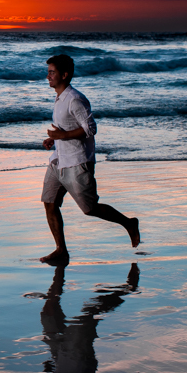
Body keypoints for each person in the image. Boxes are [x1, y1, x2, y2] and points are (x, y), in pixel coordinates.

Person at [40, 55, 139, 264]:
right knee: (49, 202)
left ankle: (129, 223)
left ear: (64, 75)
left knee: (90, 209)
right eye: (48, 71)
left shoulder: (75, 98)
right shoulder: (59, 98)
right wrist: (53, 139)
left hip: (77, 162)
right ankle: (61, 251)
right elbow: (65, 127)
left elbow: (90, 129)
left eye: (52, 72)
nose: (47, 76)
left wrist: (62, 136)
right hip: (58, 160)